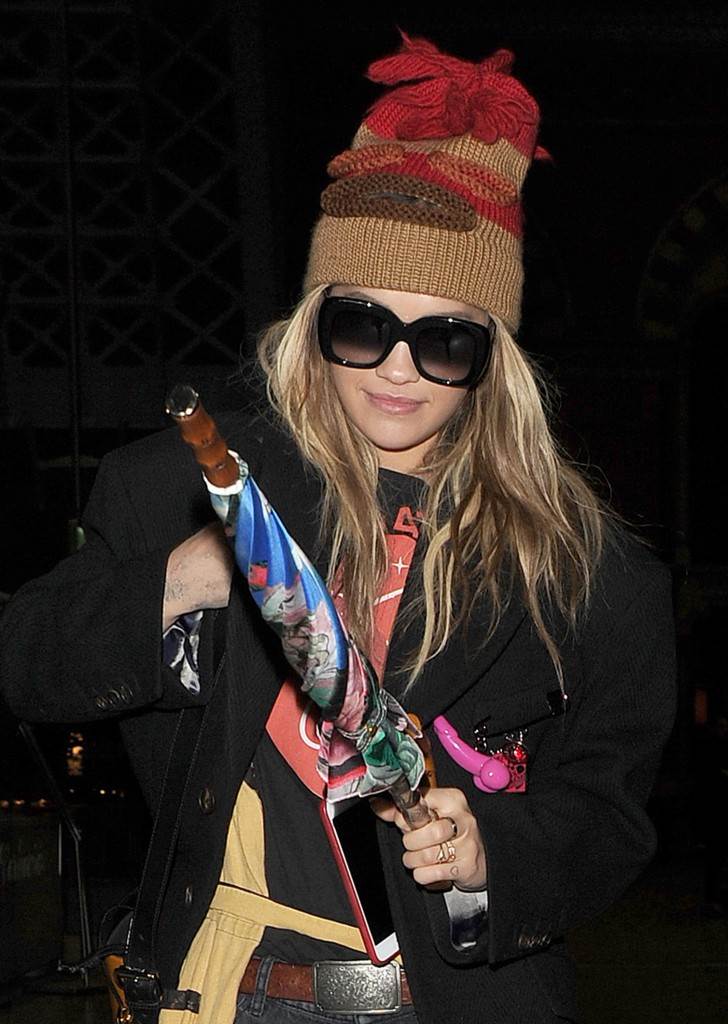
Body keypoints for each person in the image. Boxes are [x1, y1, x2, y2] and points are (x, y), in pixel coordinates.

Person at [0, 33, 676, 1024]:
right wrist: (184, 578)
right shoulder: (173, 489)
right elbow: (28, 663)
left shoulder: (583, 569)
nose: (398, 368)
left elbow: (607, 813)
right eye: (363, 325)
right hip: (220, 993)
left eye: (445, 339)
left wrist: (491, 849)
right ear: (314, 324)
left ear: (493, 358)